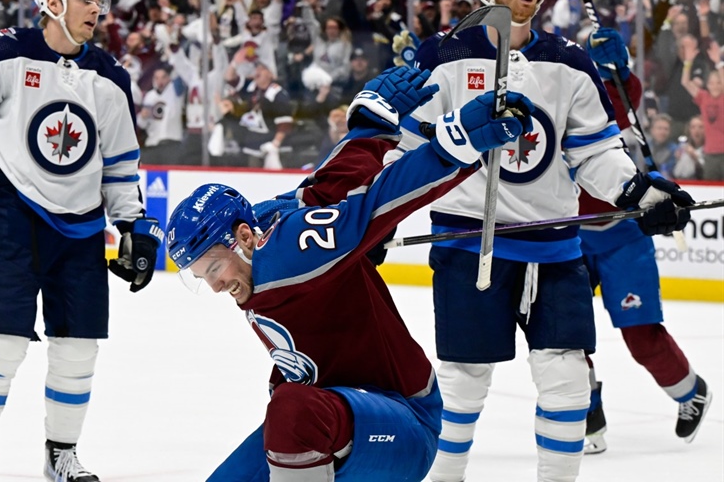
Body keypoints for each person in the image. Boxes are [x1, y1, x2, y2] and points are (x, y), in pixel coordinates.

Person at [395, 0, 695, 482]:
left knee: (567, 378)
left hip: (554, 248)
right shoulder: (443, 55)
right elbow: (408, 150)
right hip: (468, 243)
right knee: (463, 378)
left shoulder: (570, 62)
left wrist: (640, 193)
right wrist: (372, 216)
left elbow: (596, 155)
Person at [165, 66, 537, 482]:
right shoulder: (265, 228)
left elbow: (379, 201)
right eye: (203, 277)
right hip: (344, 413)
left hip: (402, 420)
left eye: (214, 268)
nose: (216, 286)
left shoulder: (289, 255)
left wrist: (453, 148)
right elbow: (323, 189)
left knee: (293, 411)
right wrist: (370, 125)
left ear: (244, 237)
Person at [0, 0, 163, 482]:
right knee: (1, 344)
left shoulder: (109, 76)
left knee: (78, 348)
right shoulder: (2, 52)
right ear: (53, 2)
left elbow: (121, 165)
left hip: (82, 229)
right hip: (10, 215)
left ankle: (61, 455)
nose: (96, 8)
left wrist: (132, 227)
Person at [579, 28, 713, 454]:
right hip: (567, 238)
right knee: (562, 337)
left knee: (642, 336)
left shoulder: (598, 99)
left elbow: (622, 97)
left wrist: (618, 70)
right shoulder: (547, 99)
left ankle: (690, 391)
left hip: (622, 234)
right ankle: (585, 413)